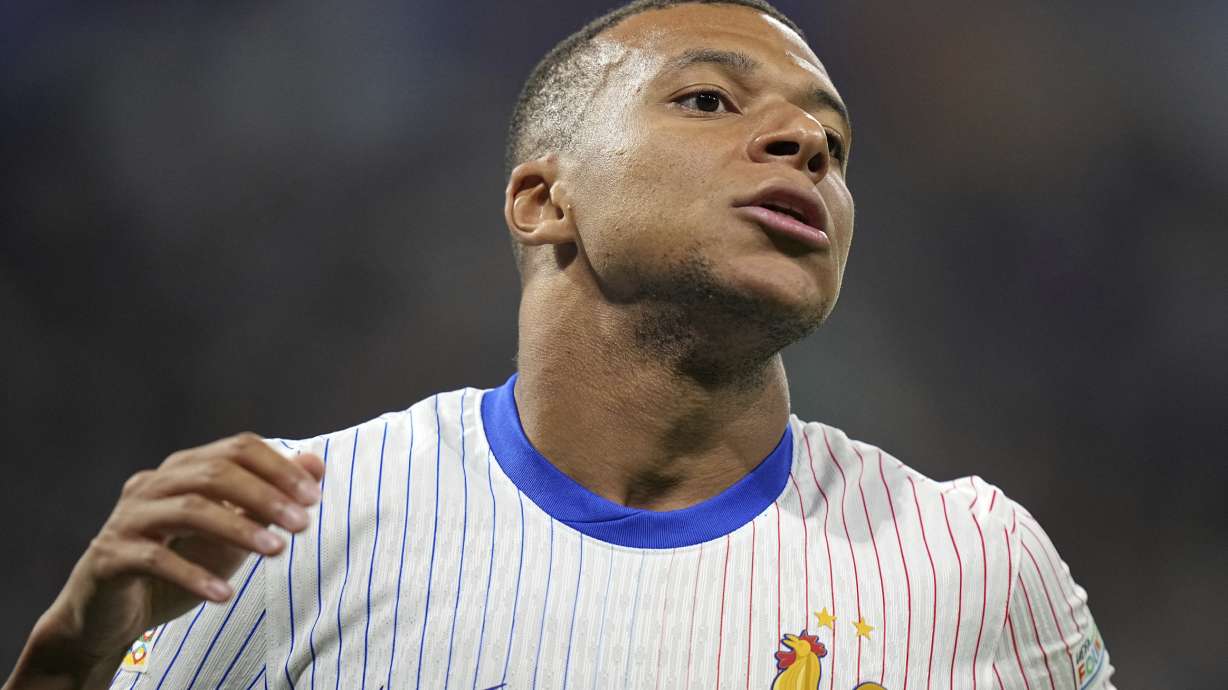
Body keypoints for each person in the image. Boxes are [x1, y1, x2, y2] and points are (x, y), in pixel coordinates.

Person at [4, 1, 1114, 688]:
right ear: (543, 198)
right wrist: (67, 661)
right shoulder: (290, 524)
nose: (803, 145)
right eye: (708, 100)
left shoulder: (975, 563)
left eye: (831, 140)